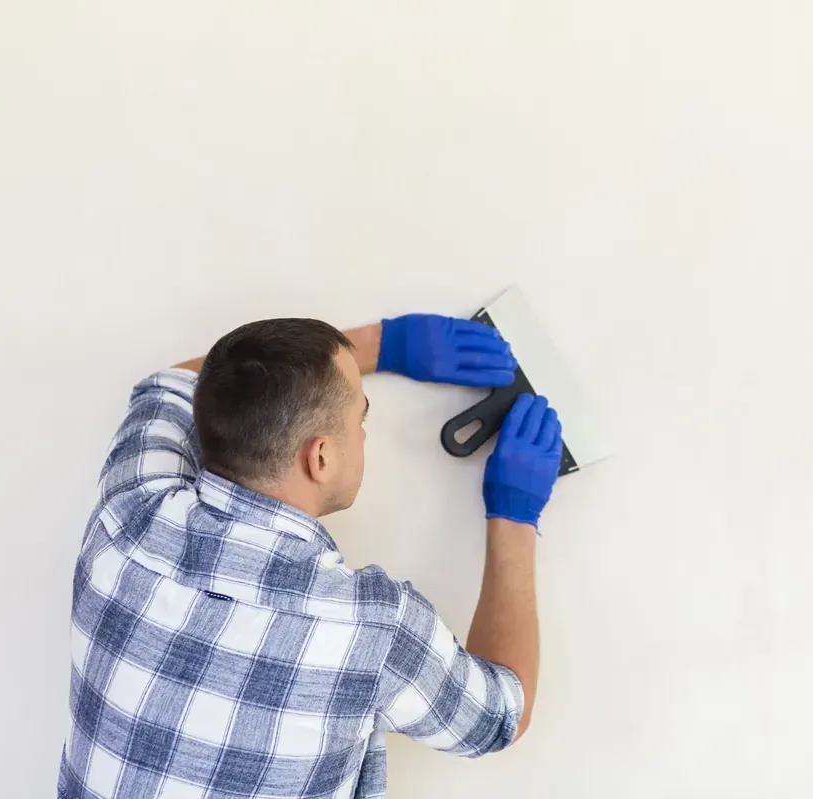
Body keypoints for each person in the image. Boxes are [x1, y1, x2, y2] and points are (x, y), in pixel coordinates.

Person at [57, 313, 563, 799]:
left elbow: (170, 384)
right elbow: (501, 714)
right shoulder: (371, 628)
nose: (362, 432)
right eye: (360, 417)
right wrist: (513, 514)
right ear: (320, 458)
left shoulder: (128, 513)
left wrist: (381, 344)